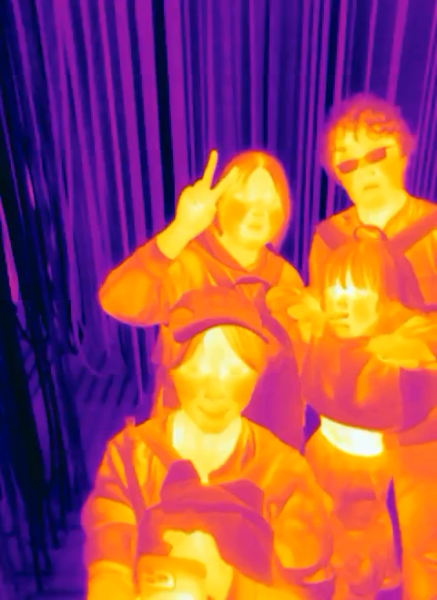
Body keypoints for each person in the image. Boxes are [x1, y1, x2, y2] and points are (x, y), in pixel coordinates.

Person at [82, 288, 334, 600]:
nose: (215, 390)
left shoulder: (285, 476)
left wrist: (227, 581)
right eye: (197, 367)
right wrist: (111, 583)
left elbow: (309, 587)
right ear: (172, 366)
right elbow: (109, 545)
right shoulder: (131, 457)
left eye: (235, 370)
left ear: (258, 372)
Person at [306, 93, 437, 598]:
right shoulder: (328, 238)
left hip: (425, 427)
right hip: (348, 423)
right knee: (350, 552)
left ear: (405, 148)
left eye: (376, 152)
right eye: (348, 162)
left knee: (427, 552)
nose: (364, 170)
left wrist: (413, 340)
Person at [98, 149, 304, 449]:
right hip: (189, 435)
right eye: (244, 198)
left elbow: (293, 378)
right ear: (219, 205)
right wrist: (181, 230)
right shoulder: (188, 265)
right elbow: (117, 300)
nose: (258, 211)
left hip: (255, 444)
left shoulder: (285, 278)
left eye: (269, 201)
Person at [268, 232, 437, 598]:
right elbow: (281, 299)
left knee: (360, 555)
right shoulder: (322, 331)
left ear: (386, 297)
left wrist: (408, 347)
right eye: (336, 291)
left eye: (359, 291)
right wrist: (309, 310)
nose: (342, 305)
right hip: (323, 451)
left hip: (374, 466)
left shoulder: (404, 335)